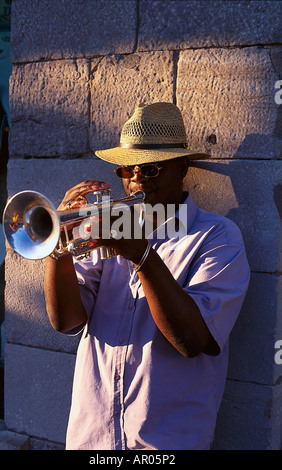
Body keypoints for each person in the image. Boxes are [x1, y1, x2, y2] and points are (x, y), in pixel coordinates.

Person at [44, 102, 250, 450]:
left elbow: (192, 341)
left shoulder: (217, 237)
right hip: (92, 439)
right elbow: (65, 321)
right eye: (127, 170)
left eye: (151, 169)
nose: (136, 178)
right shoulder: (107, 228)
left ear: (182, 167)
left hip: (164, 443)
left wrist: (141, 255)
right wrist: (58, 250)